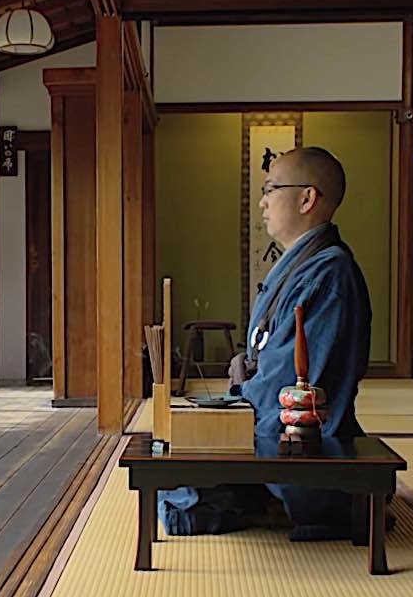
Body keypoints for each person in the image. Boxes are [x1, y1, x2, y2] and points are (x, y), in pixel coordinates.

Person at [159, 146, 373, 541]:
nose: (262, 201)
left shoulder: (328, 273)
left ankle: (290, 501)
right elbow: (271, 355)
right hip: (268, 420)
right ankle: (266, 499)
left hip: (296, 442)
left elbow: (292, 388)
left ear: (307, 198)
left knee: (178, 496)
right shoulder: (305, 263)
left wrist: (234, 409)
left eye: (271, 189)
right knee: (169, 463)